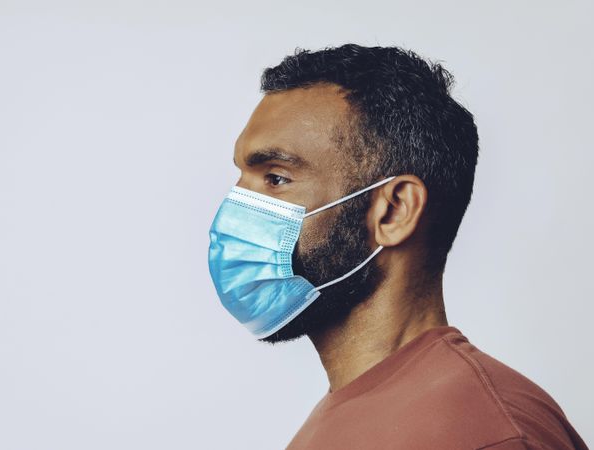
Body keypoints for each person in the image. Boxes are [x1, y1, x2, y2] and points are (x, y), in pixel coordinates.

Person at [207, 44, 588, 449]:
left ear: (394, 211)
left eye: (276, 178)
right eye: (242, 181)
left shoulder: (485, 431)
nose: (234, 212)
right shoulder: (340, 417)